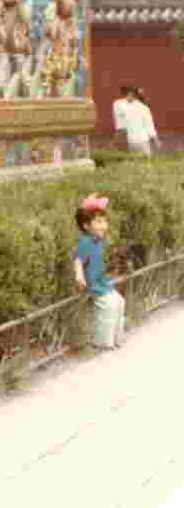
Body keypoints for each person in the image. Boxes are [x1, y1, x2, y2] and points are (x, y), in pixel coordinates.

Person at [73, 193, 125, 349]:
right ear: (86, 226)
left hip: (102, 282)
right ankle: (102, 341)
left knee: (120, 302)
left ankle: (116, 339)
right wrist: (79, 276)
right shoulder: (85, 242)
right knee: (109, 306)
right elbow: (77, 260)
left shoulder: (98, 240)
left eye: (104, 221)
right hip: (93, 285)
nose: (104, 225)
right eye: (98, 221)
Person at [123, 87, 158, 157]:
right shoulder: (145, 109)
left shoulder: (126, 109)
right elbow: (150, 127)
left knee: (134, 161)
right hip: (142, 140)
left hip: (131, 141)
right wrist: (156, 141)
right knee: (147, 162)